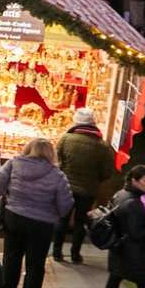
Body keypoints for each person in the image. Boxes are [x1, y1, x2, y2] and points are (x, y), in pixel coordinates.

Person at [0, 137, 73, 288]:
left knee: (11, 258)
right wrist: (54, 213)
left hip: (14, 217)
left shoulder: (14, 164)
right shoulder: (57, 175)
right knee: (36, 264)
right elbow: (65, 204)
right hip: (42, 224)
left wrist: (11, 195)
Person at [53, 107, 115, 264]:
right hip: (88, 189)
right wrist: (95, 179)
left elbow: (56, 162)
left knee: (62, 219)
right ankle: (75, 254)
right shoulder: (102, 146)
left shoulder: (66, 139)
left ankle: (57, 252)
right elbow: (107, 172)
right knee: (81, 222)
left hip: (65, 186)